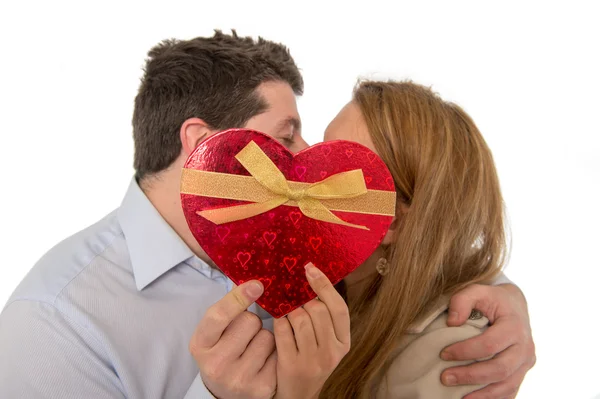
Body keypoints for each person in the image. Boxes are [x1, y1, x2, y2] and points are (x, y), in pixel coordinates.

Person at [0, 31, 535, 398]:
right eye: (287, 136)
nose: (307, 163)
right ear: (206, 145)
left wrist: (500, 292)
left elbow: (408, 238)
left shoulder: (308, 237)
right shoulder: (53, 326)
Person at [313, 80, 525, 398]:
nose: (297, 176)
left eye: (334, 171)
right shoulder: (330, 287)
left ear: (393, 222)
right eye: (319, 149)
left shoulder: (448, 355)